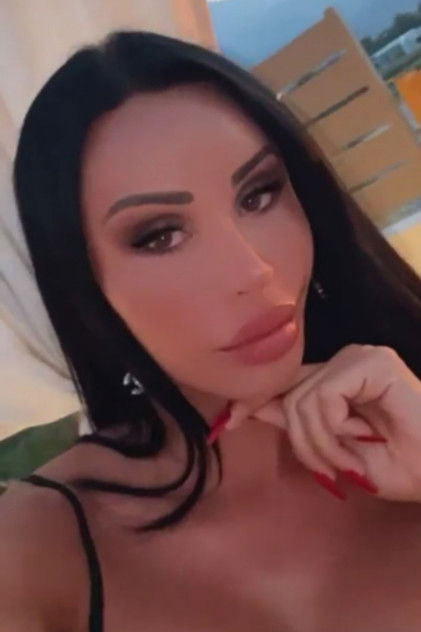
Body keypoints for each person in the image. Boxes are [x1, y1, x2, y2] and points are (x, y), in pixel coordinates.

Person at [1, 30, 421, 632]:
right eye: (159, 236)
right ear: (86, 288)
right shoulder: (38, 544)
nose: (253, 270)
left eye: (259, 194)